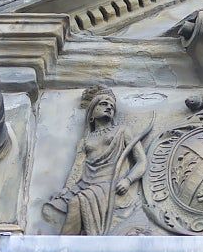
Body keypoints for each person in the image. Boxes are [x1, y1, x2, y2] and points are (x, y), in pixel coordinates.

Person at [44, 87, 149, 235]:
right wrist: (67, 189)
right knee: (53, 207)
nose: (109, 108)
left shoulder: (122, 131)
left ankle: (64, 249)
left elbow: (142, 161)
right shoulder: (85, 140)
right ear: (92, 112)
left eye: (112, 106)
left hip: (110, 183)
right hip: (86, 183)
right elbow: (77, 168)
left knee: (76, 202)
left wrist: (128, 180)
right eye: (104, 104)